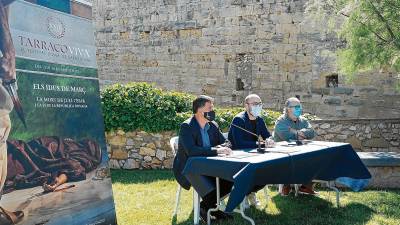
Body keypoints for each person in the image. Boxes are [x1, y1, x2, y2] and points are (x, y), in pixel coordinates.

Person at [172, 95, 233, 222]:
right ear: (200, 111)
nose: (213, 110)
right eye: (210, 107)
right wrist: (216, 151)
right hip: (189, 168)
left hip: (210, 166)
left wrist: (222, 147)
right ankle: (210, 209)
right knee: (211, 184)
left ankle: (205, 207)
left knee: (230, 179)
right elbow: (192, 151)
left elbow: (227, 142)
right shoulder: (187, 126)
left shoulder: (213, 125)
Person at [227, 94, 274, 207]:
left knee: (270, 170)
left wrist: (270, 140)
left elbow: (267, 135)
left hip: (254, 156)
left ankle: (250, 192)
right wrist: (261, 144)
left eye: (259, 104)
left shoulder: (259, 120)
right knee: (254, 172)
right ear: (246, 106)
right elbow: (239, 143)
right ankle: (244, 194)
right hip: (238, 157)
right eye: (254, 104)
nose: (258, 106)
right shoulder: (239, 120)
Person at [274, 97, 317, 196]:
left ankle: (305, 186)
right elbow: (287, 137)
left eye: (300, 106)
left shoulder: (303, 120)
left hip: (301, 151)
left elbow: (312, 133)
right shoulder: (281, 121)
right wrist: (300, 135)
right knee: (291, 161)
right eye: (296, 106)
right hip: (283, 153)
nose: (299, 108)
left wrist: (296, 132)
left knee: (317, 158)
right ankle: (286, 185)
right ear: (288, 108)